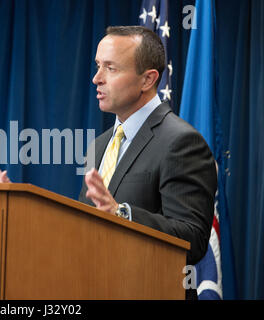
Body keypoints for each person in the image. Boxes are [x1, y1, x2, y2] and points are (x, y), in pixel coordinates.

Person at [78, 25, 217, 268]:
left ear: (148, 79)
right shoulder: (99, 145)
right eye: (98, 65)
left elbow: (193, 239)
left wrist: (122, 214)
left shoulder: (181, 142)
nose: (97, 78)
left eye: (110, 68)